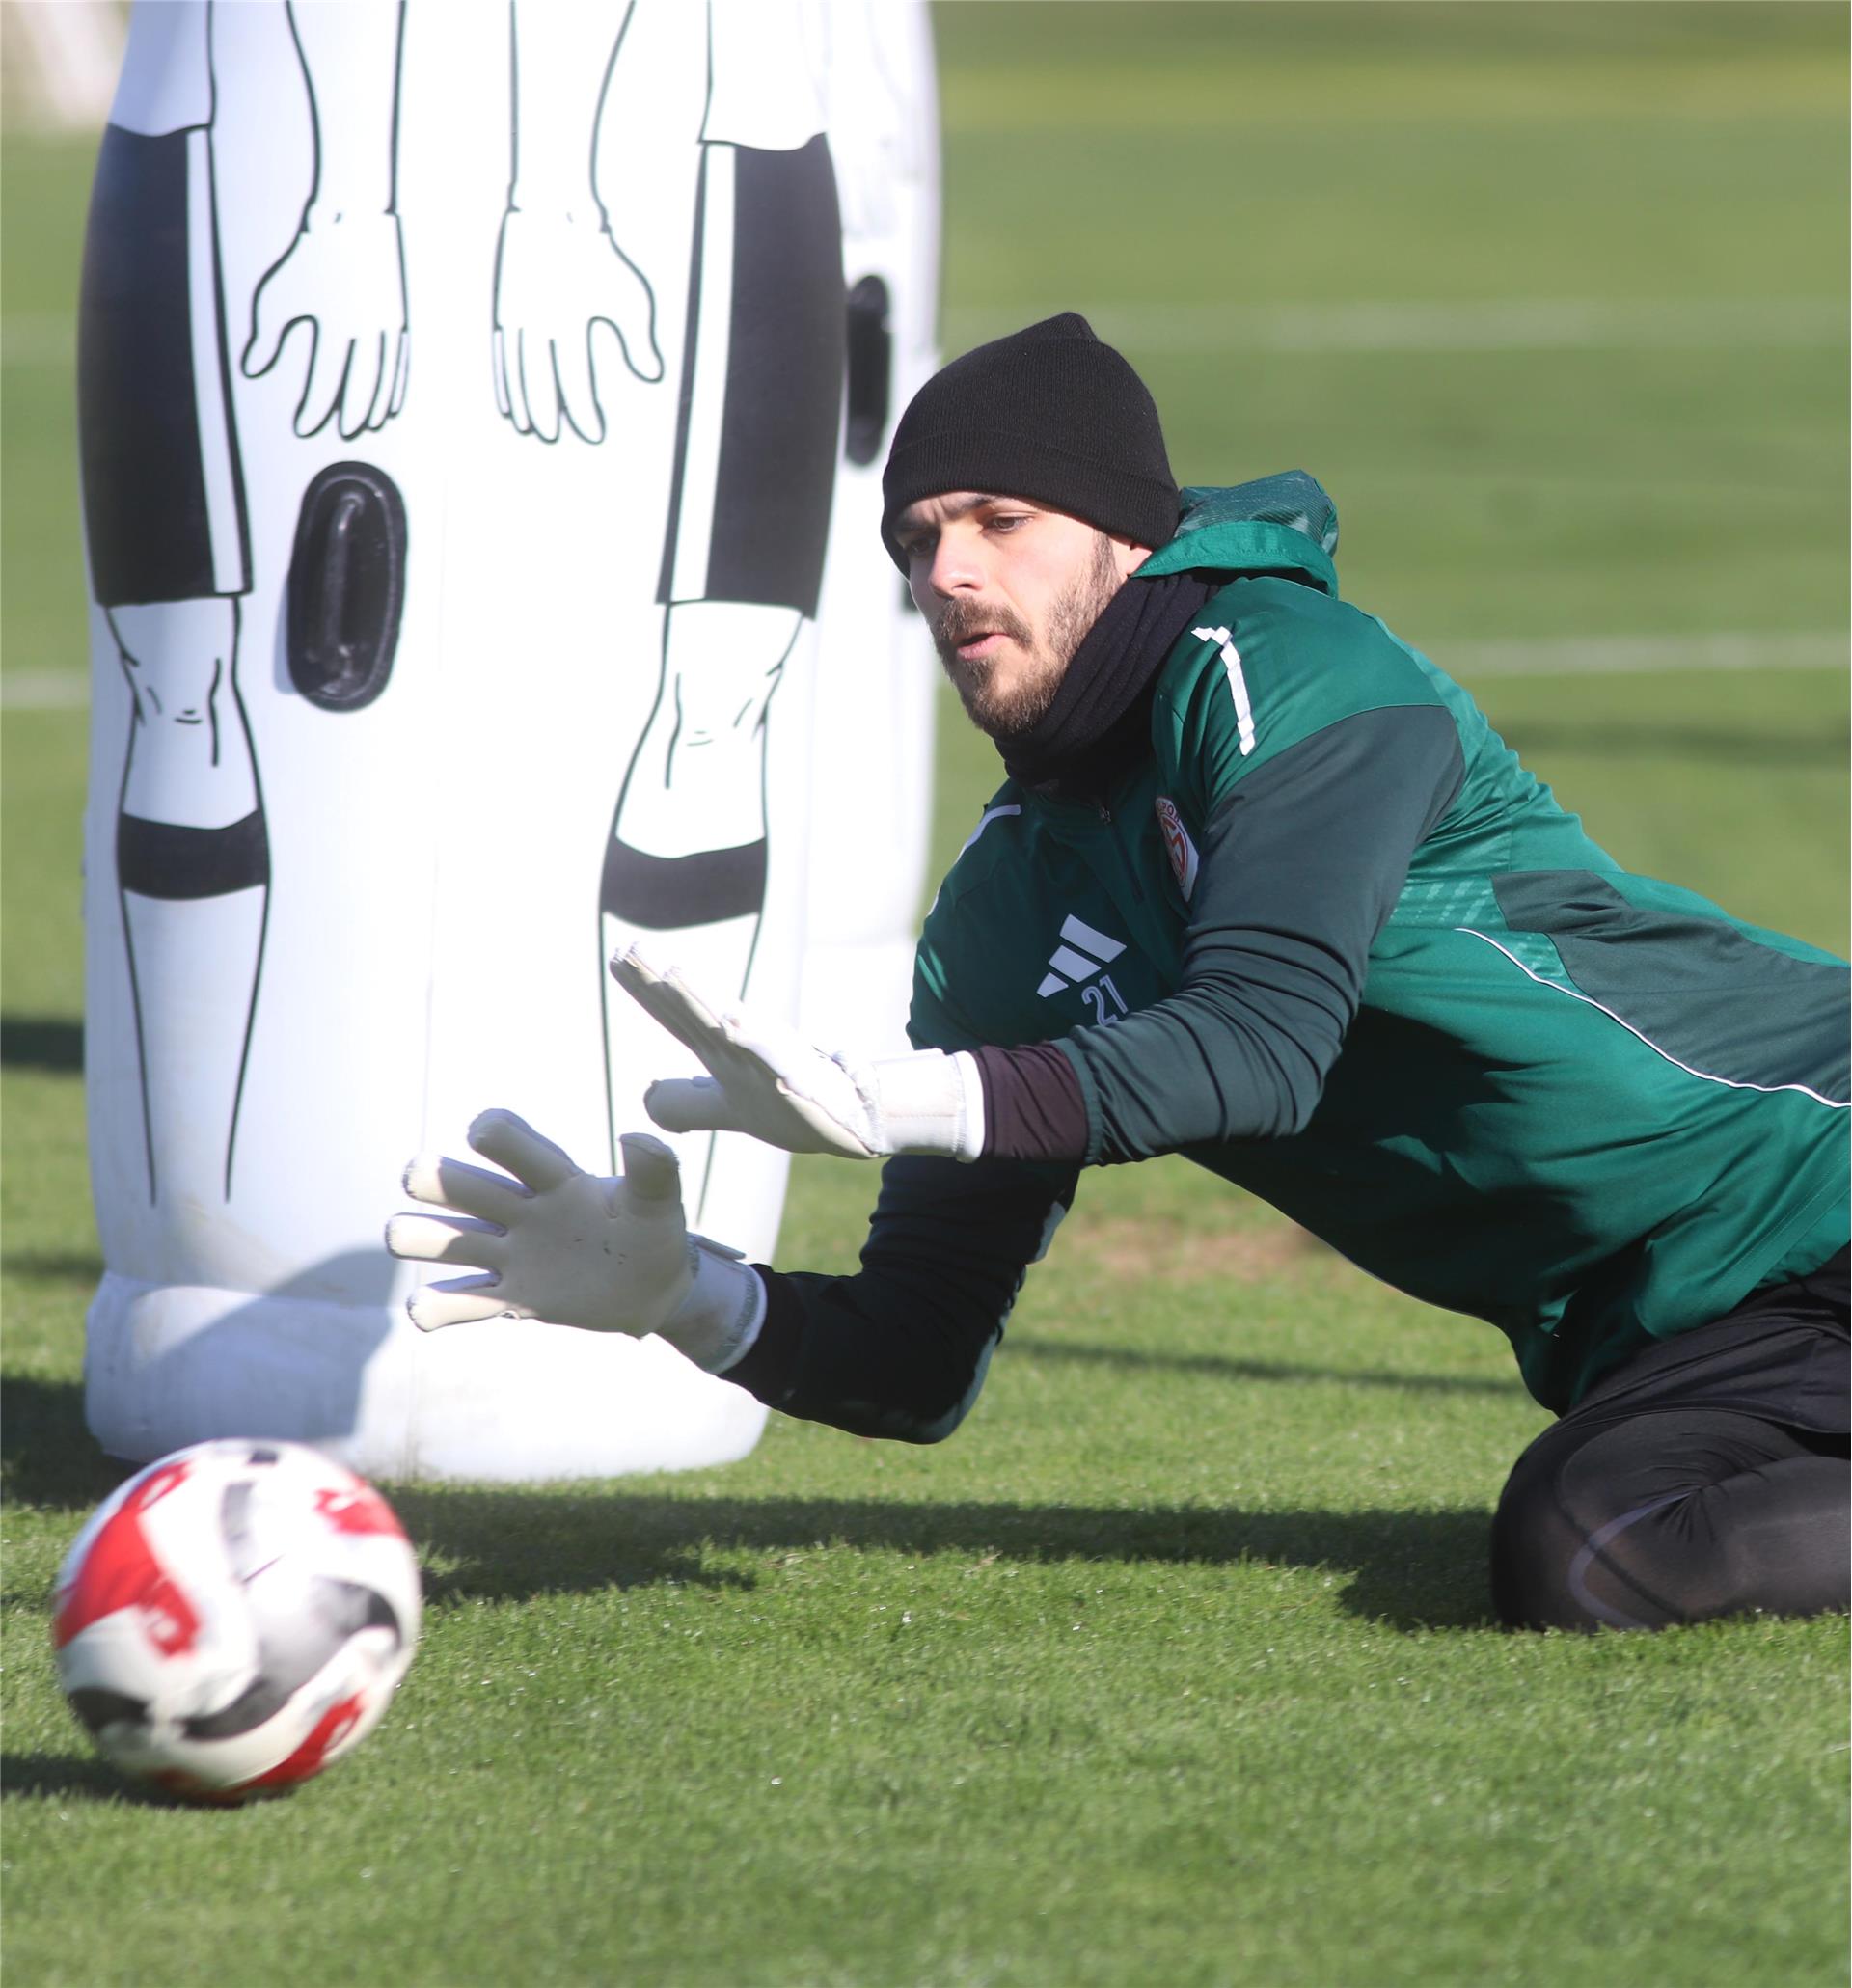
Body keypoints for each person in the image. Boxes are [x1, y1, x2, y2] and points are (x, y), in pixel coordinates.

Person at [387, 313, 1850, 1633]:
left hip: (1824, 1176)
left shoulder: (1285, 663)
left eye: (1000, 520)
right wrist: (687, 1297)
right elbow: (915, 1355)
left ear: (1126, 536)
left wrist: (901, 1099)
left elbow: (1260, 1043)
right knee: (1589, 1551)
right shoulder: (1005, 914)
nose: (949, 571)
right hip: (1710, 1324)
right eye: (916, 540)